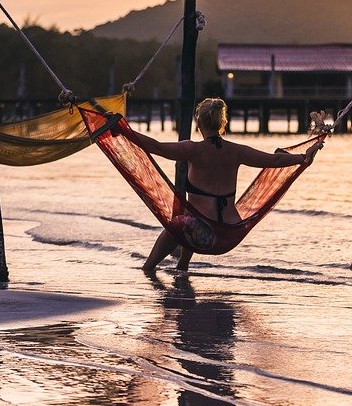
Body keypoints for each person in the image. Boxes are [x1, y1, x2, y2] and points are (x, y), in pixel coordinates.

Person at [125, 97, 322, 274]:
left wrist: (122, 129)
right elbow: (276, 160)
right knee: (190, 217)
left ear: (199, 123)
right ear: (222, 123)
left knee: (177, 224)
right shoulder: (236, 151)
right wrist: (303, 157)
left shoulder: (193, 150)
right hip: (229, 234)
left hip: (203, 235)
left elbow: (156, 147)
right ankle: (182, 266)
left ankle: (148, 268)